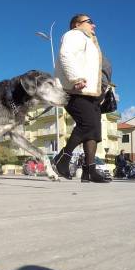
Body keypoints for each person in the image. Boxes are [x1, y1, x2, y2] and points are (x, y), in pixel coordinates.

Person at [53, 14, 110, 183]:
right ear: (77, 24)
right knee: (88, 124)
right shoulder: (74, 35)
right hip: (76, 89)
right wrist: (75, 78)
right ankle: (63, 157)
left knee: (93, 132)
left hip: (91, 93)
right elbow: (65, 55)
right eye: (90, 21)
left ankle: (89, 170)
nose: (94, 25)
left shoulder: (90, 41)